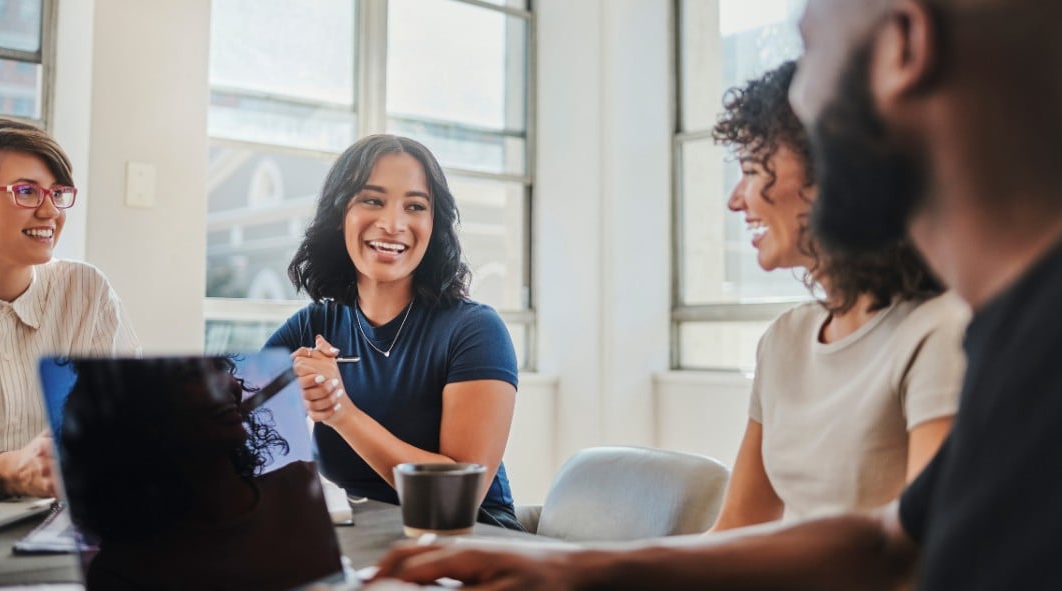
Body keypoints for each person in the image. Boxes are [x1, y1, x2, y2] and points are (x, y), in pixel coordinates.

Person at [374, 0, 1062, 588]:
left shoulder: (988, 341)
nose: (801, 99)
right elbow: (888, 539)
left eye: (810, 46)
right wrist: (575, 567)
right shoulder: (1009, 335)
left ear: (900, 47)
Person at [708, 60, 968, 531]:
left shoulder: (939, 332)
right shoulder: (783, 340)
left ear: (828, 167)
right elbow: (736, 528)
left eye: (751, 167)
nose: (736, 199)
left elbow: (915, 552)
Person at [265, 134, 521, 529]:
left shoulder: (475, 330)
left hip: (468, 537)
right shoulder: (313, 325)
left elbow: (458, 494)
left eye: (415, 206)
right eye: (372, 200)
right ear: (340, 214)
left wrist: (339, 411)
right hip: (359, 533)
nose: (392, 224)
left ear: (434, 225)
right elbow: (229, 422)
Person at [0, 118, 139, 501]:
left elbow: (128, 421)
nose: (51, 212)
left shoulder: (86, 292)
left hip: (69, 529)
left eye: (57, 193)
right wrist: (7, 470)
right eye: (26, 192)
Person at [58, 356, 342, 590]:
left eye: (218, 367)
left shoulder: (304, 487)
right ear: (136, 415)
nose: (224, 384)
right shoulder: (123, 572)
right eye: (189, 375)